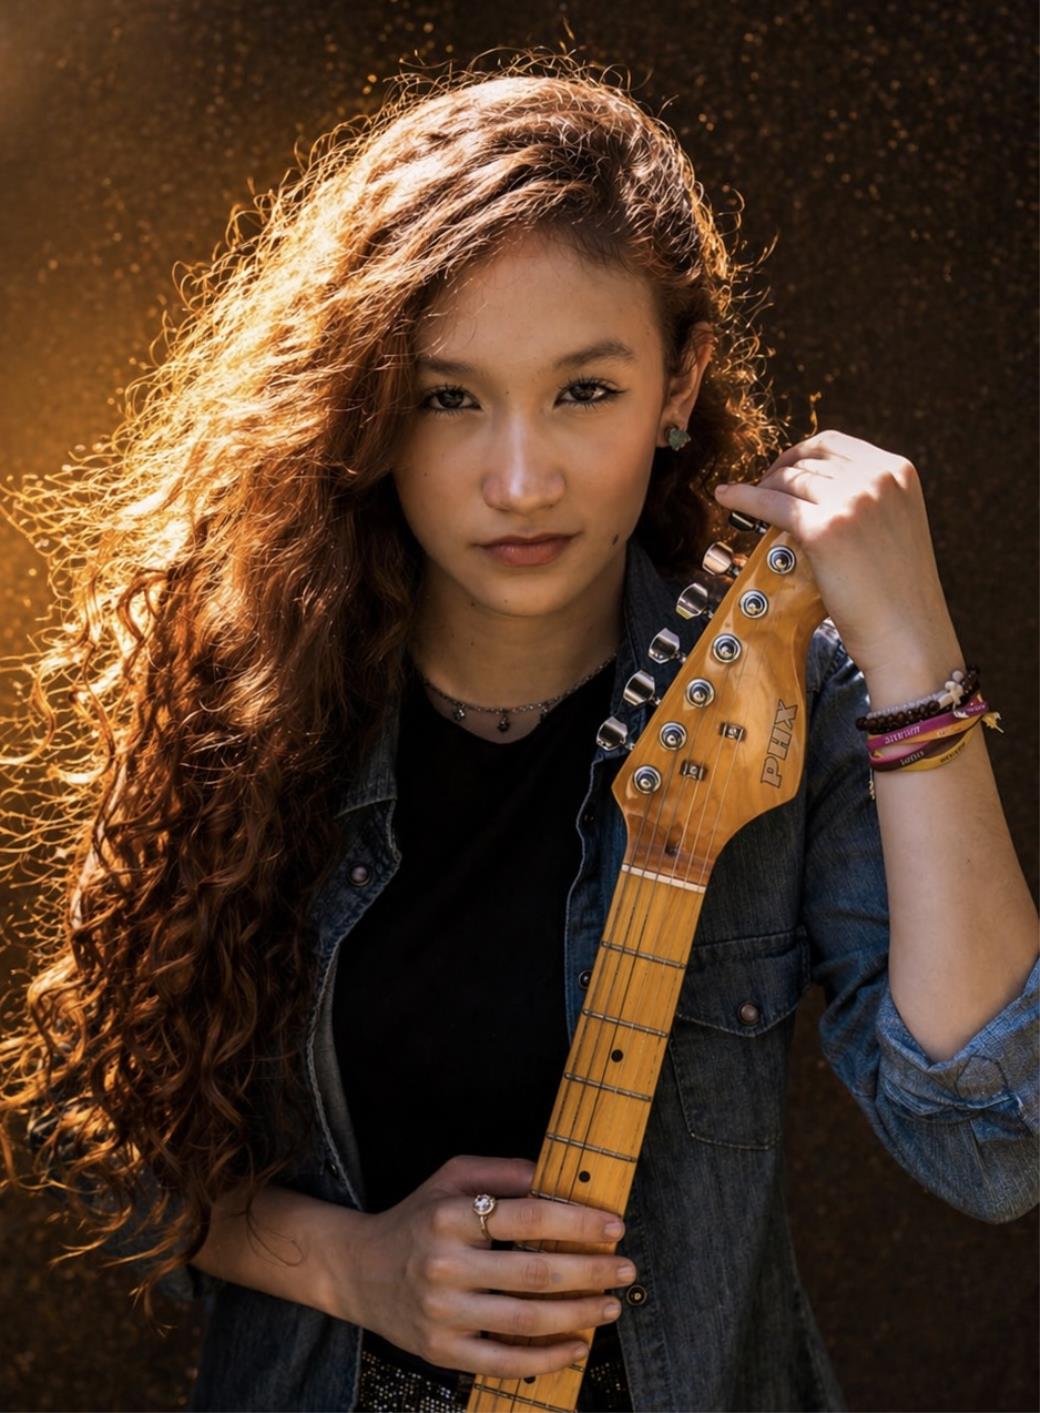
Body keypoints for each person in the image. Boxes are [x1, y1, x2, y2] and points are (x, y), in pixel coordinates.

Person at [2, 53, 1037, 1413]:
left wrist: (916, 666)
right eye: (450, 397)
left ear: (679, 384)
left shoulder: (787, 702)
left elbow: (994, 1147)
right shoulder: (243, 691)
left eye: (584, 391)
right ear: (366, 404)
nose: (519, 478)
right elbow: (107, 1145)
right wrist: (358, 1267)